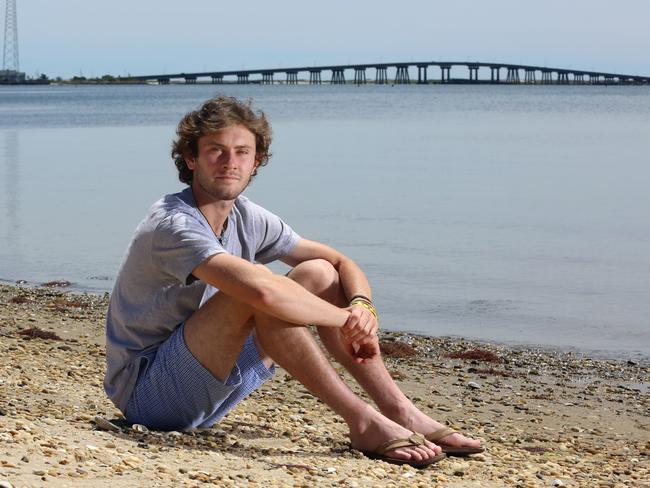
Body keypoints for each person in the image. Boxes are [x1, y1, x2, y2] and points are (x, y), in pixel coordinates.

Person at [104, 95, 482, 468]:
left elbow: (339, 261)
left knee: (319, 272)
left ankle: (399, 409)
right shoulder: (173, 224)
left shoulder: (246, 216)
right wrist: (344, 321)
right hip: (150, 395)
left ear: (256, 161)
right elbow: (262, 292)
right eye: (216, 151)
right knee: (257, 291)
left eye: (241, 152)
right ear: (191, 158)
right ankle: (362, 421)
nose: (230, 163)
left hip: (213, 387)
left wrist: (362, 306)